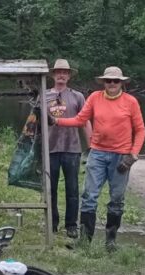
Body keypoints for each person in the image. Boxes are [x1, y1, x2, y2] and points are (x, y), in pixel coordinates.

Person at [53, 66, 145, 251]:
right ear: (103, 82)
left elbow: (140, 129)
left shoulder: (131, 101)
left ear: (122, 83)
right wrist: (56, 121)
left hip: (121, 156)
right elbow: (80, 120)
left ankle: (110, 241)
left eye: (115, 81)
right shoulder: (95, 97)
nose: (112, 84)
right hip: (97, 153)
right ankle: (85, 240)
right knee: (89, 196)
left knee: (117, 199)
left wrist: (133, 154)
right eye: (108, 81)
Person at [46, 59, 92, 239]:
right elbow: (35, 123)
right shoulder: (44, 95)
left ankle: (71, 225)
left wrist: (91, 145)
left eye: (65, 72)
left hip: (72, 149)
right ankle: (53, 223)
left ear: (69, 75)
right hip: (50, 149)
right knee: (51, 189)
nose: (61, 75)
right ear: (53, 74)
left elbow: (85, 121)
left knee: (72, 190)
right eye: (58, 72)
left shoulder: (78, 96)